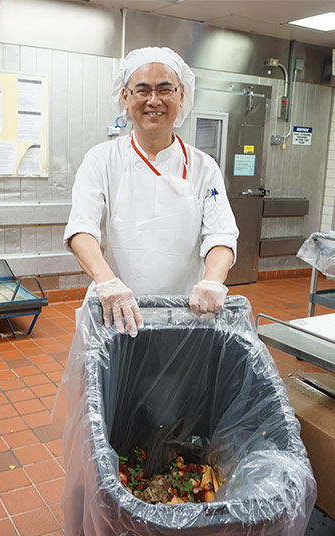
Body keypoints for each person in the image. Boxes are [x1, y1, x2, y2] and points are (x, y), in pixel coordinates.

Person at [63, 47, 239, 336]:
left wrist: (213, 281)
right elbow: (82, 229)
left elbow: (221, 235)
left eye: (165, 89)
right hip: (115, 311)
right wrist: (107, 283)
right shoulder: (101, 159)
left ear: (181, 95)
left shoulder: (203, 167)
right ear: (125, 97)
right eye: (142, 90)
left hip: (185, 314)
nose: (154, 101)